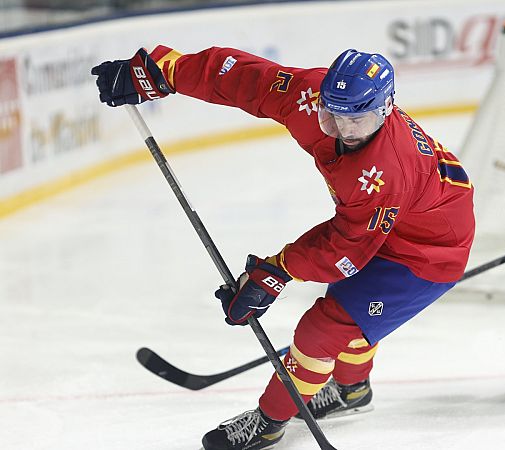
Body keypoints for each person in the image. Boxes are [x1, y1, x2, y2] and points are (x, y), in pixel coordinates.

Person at [91, 46, 474, 449]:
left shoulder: (384, 173)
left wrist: (276, 271)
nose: (344, 130)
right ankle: (352, 392)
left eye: (357, 119)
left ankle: (271, 421)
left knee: (325, 327)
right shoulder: (311, 97)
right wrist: (164, 72)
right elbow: (245, 79)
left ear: (386, 108)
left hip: (429, 250)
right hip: (392, 221)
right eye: (334, 115)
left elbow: (345, 251)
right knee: (353, 309)